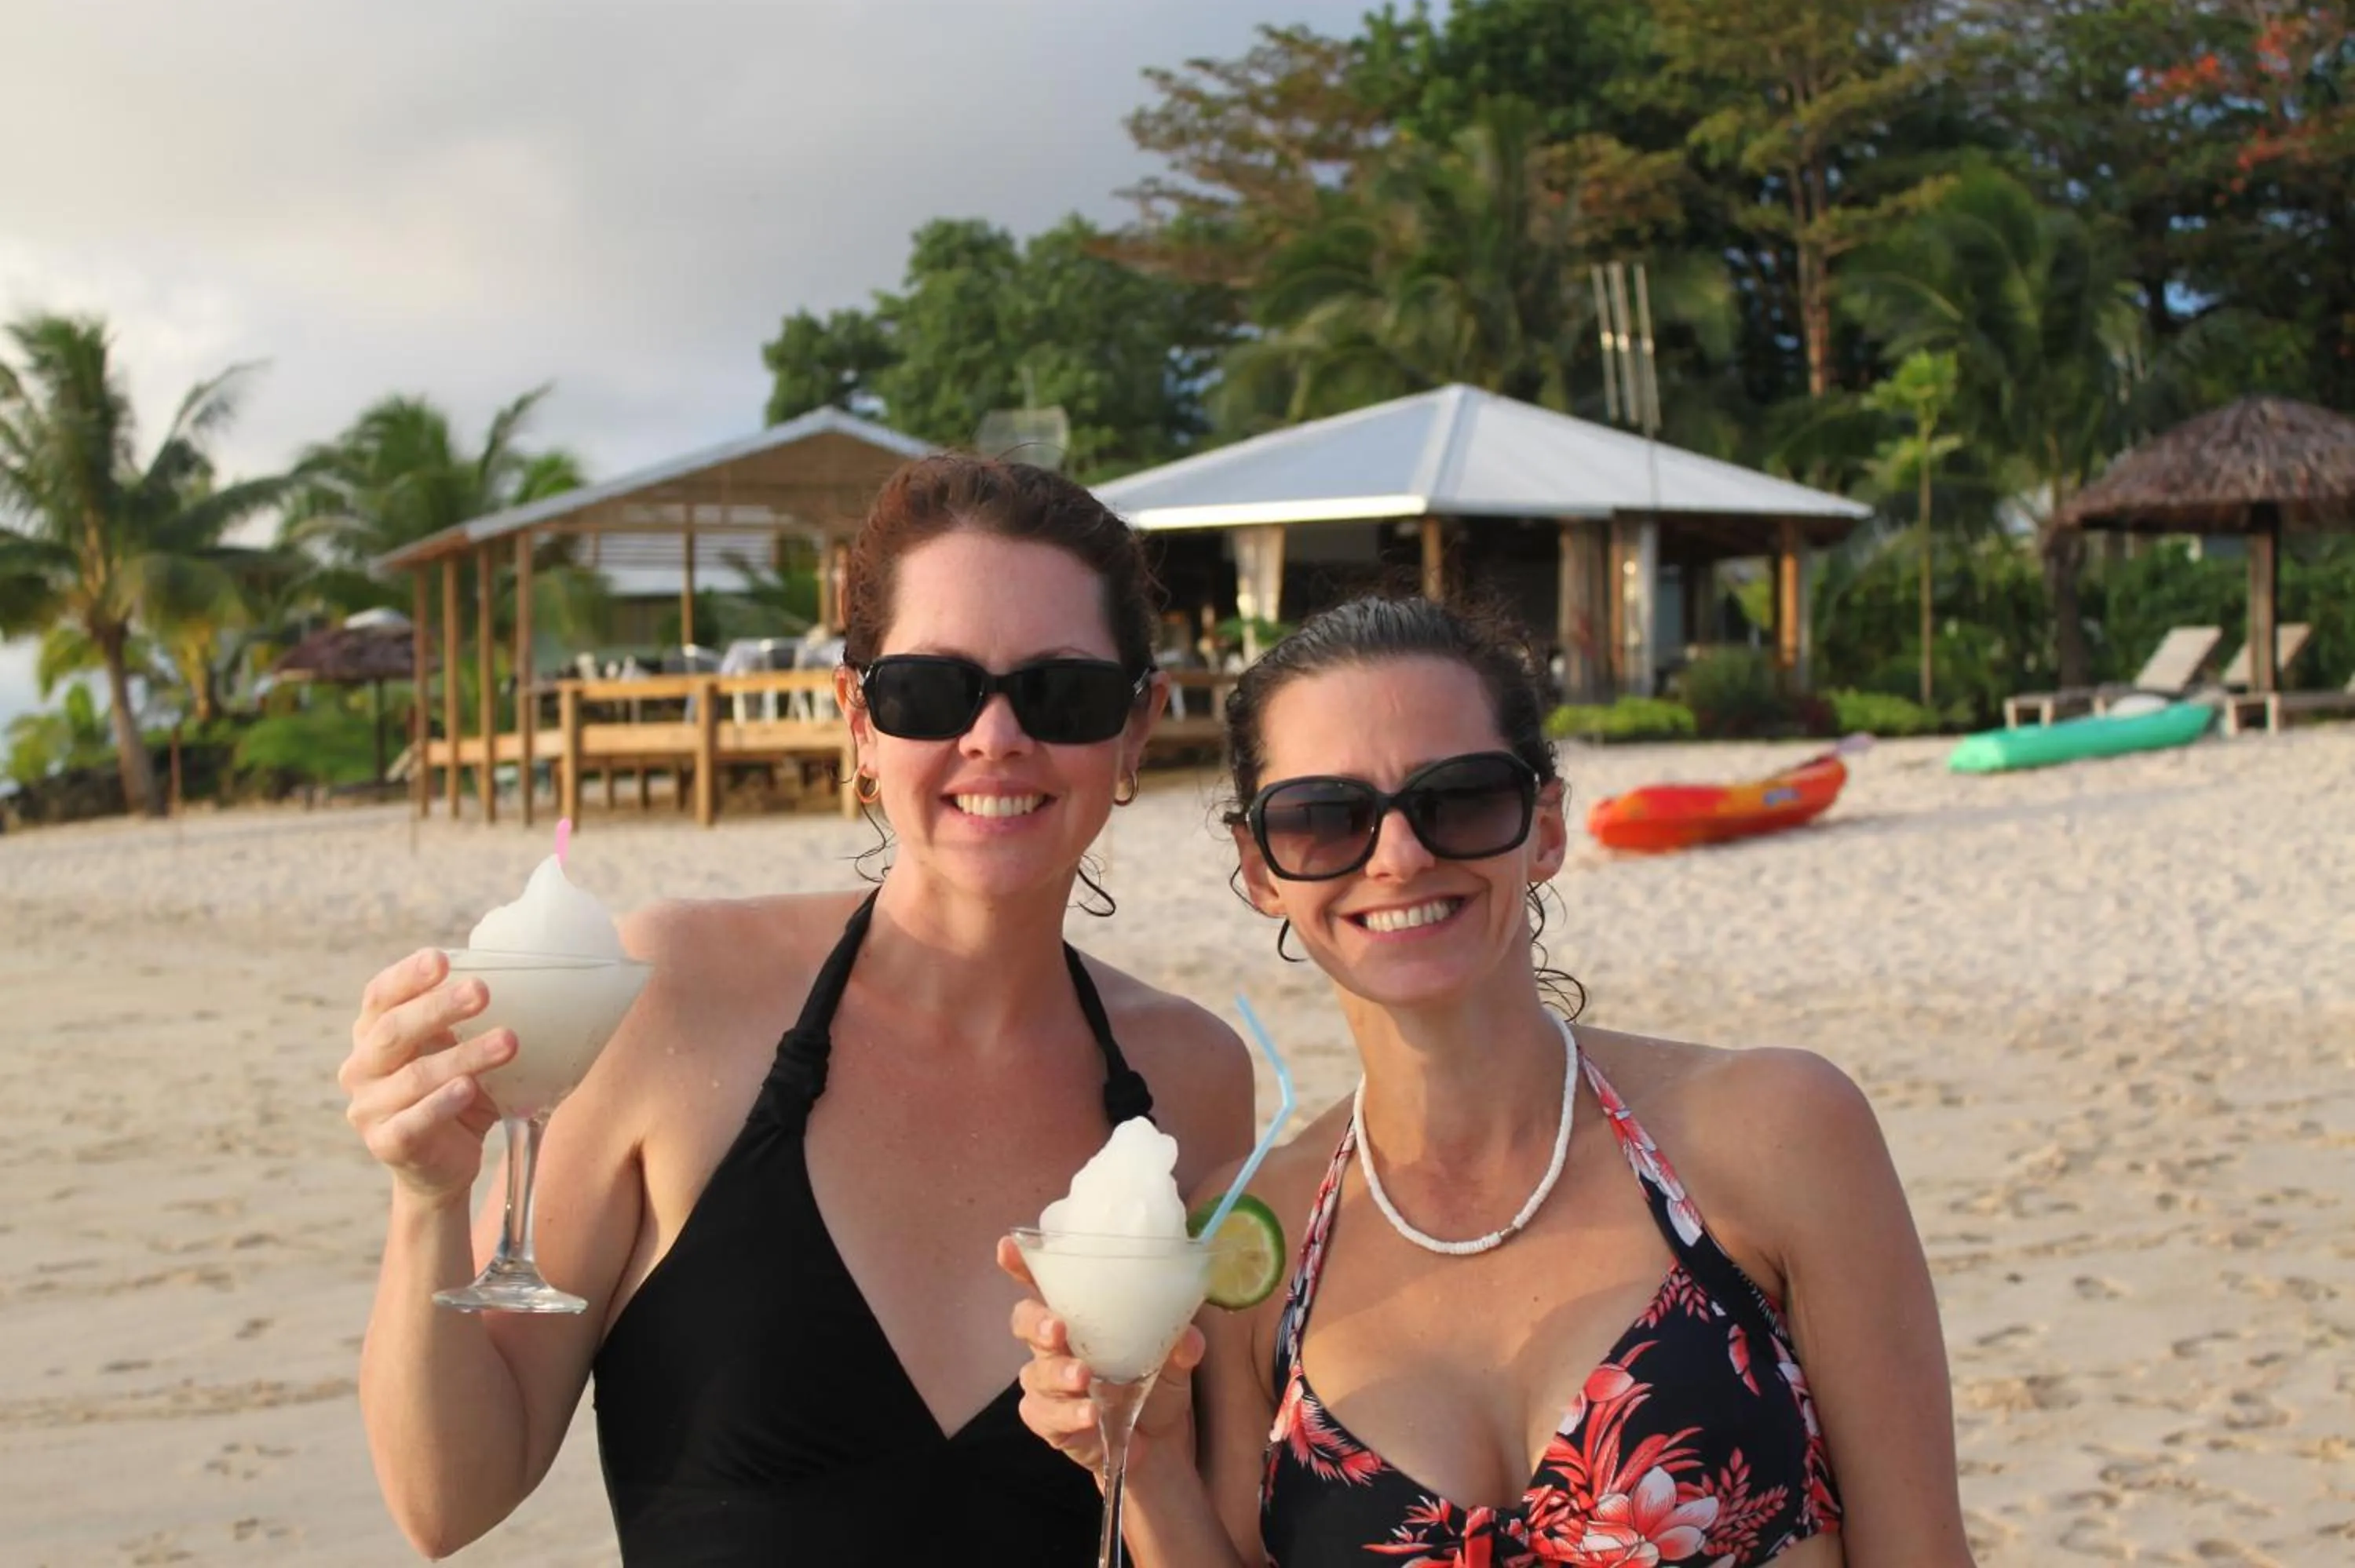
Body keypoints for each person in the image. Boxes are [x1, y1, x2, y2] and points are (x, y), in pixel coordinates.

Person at [338, 454, 1256, 1563]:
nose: (997, 737)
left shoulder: (1195, 1082)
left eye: (1062, 693)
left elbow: (1204, 1530)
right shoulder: (675, 995)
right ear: (859, 722)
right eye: (931, 689)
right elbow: (449, 1499)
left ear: (1138, 726)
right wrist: (428, 1198)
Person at [1010, 595, 1973, 1566]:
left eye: (1459, 798)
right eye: (1323, 817)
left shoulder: (1777, 1135)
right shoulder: (1251, 1240)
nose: (1399, 856)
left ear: (1543, 826)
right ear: (1260, 866)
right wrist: (1150, 1461)